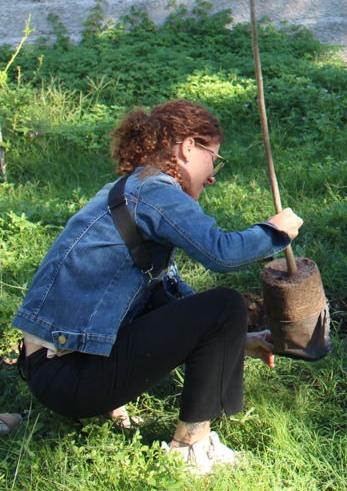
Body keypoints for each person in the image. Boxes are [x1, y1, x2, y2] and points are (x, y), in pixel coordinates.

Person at [11, 100, 303, 475]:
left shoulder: (130, 189)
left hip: (50, 371)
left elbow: (168, 296)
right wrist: (274, 232)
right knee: (225, 305)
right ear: (188, 148)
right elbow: (220, 253)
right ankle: (191, 449)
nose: (212, 178)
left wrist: (236, 341)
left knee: (210, 310)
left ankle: (179, 436)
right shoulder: (155, 191)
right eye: (214, 160)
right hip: (67, 378)